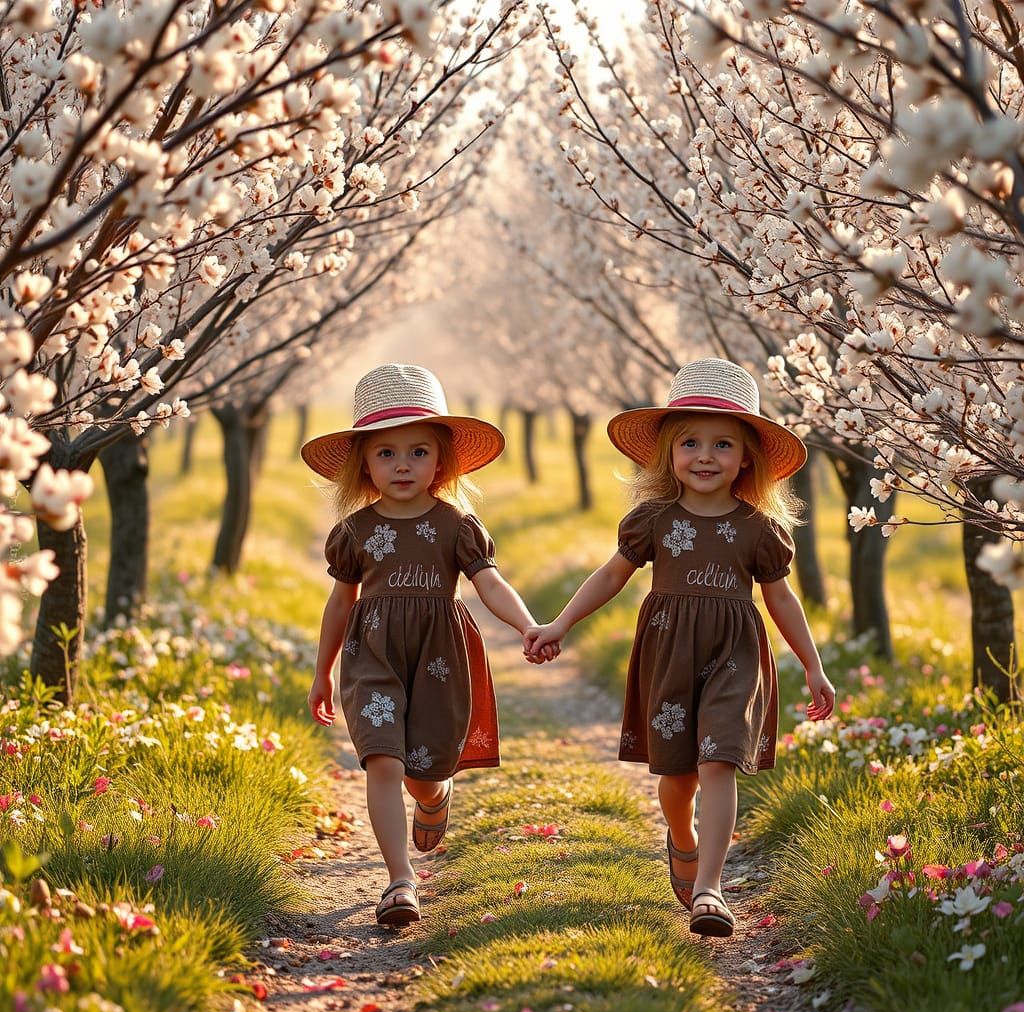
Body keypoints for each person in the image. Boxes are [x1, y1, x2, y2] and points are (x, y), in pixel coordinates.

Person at [525, 358, 835, 938]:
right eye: (690, 442)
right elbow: (610, 576)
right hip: (669, 654)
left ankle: (712, 888)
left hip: (735, 656)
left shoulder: (759, 530)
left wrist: (813, 666)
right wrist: (559, 623)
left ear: (747, 458)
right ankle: (684, 839)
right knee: (677, 777)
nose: (706, 456)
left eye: (723, 444)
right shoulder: (654, 521)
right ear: (668, 452)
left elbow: (782, 601)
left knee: (720, 760)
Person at [304, 364, 554, 926]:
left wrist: (527, 625)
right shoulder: (355, 532)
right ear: (364, 464)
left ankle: (434, 796)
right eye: (386, 453)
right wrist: (322, 672)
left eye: (418, 452)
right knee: (381, 759)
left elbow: (489, 582)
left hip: (441, 656)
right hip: (373, 655)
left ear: (441, 461)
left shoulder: (456, 526)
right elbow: (341, 604)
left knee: (423, 767)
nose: (402, 465)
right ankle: (399, 880)